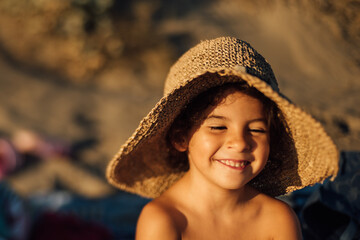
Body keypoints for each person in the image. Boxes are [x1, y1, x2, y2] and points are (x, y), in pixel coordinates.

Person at [106, 37, 339, 239]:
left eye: (257, 130)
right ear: (181, 137)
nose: (239, 143)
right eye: (218, 127)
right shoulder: (165, 219)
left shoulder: (277, 218)